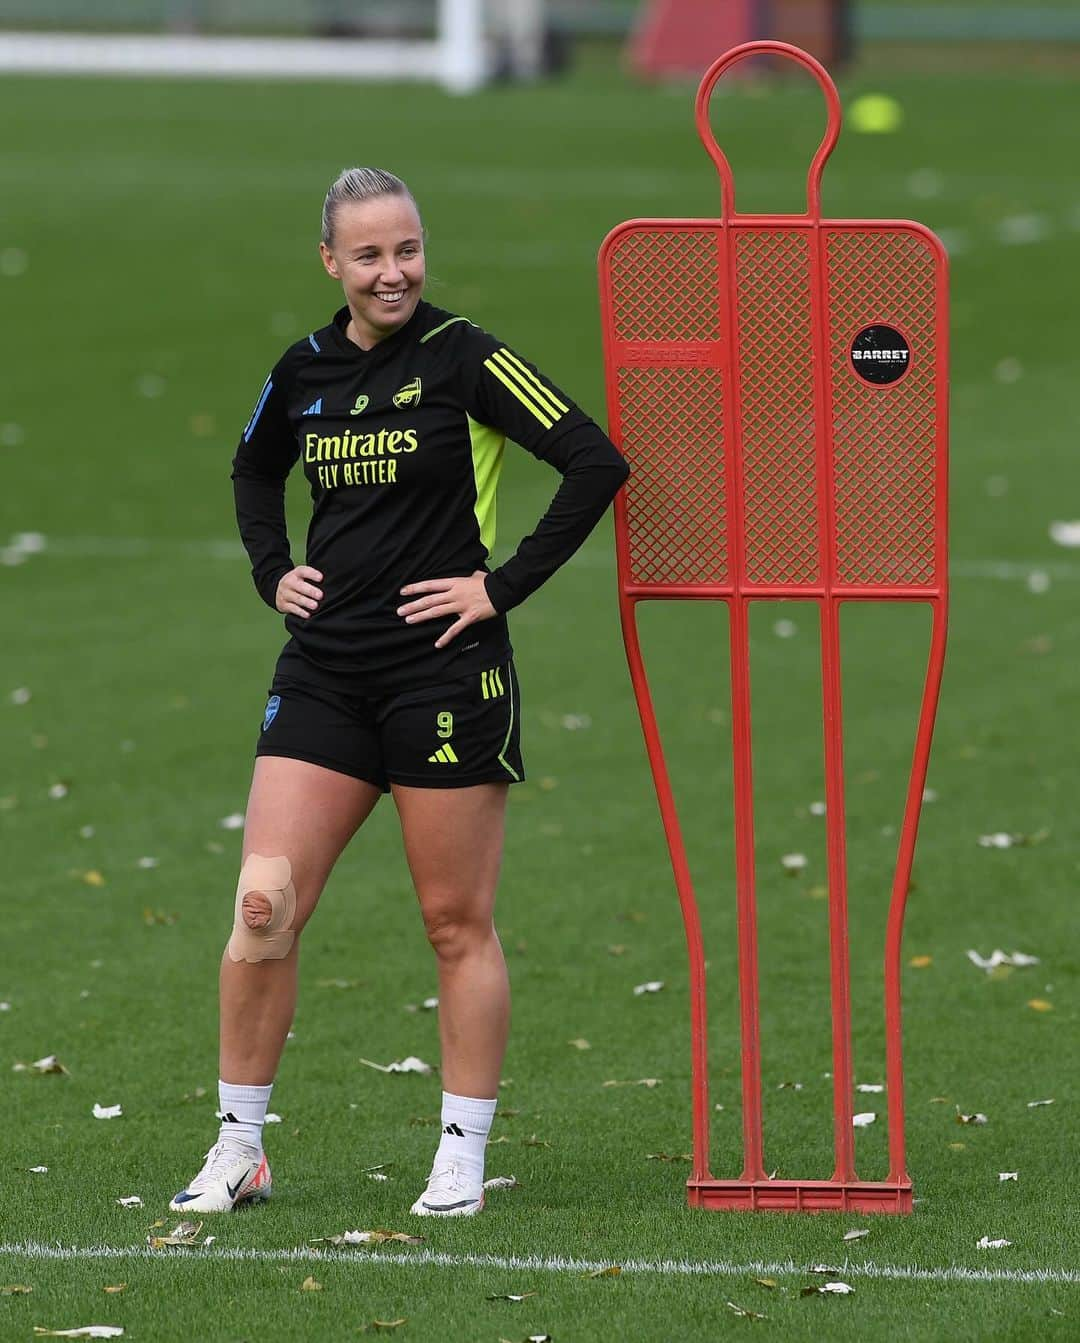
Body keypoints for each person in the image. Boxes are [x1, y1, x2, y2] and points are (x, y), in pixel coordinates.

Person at [170, 167, 628, 1218]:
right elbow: (253, 470)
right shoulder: (305, 368)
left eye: (408, 249)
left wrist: (498, 587)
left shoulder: (467, 356)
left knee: (453, 919)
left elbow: (594, 460)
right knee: (263, 901)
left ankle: (460, 1152)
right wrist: (268, 566)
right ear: (331, 262)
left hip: (443, 673)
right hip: (326, 668)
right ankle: (240, 1144)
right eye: (370, 254)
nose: (394, 272)